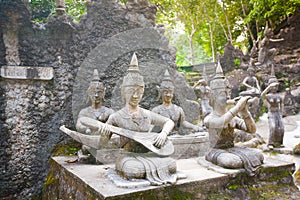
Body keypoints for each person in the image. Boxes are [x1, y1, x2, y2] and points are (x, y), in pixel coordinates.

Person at [103, 53, 178, 185]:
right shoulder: (116, 117)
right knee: (133, 170)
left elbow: (169, 122)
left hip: (149, 155)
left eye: (139, 91)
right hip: (128, 157)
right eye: (132, 90)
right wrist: (104, 134)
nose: (136, 95)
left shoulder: (147, 114)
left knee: (171, 164)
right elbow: (101, 145)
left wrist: (163, 133)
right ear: (124, 91)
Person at [203, 61, 264, 176]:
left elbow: (252, 130)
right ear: (213, 97)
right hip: (215, 151)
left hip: (232, 149)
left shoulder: (233, 118)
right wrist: (237, 107)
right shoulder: (209, 118)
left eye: (228, 93)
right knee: (232, 161)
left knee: (259, 155)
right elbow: (221, 122)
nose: (227, 97)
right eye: (223, 94)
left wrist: (244, 111)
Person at [75, 69, 114, 161]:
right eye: (93, 92)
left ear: (103, 93)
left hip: (105, 140)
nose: (96, 95)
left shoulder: (109, 111)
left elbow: (116, 121)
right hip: (90, 140)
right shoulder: (84, 112)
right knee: (86, 147)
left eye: (99, 92)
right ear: (88, 93)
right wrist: (87, 129)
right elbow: (79, 124)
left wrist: (107, 124)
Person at [152, 70, 204, 135]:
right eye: (165, 92)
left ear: (173, 93)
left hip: (176, 136)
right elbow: (151, 126)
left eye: (170, 92)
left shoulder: (178, 109)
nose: (168, 95)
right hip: (161, 137)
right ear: (160, 93)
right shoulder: (156, 110)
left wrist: (194, 127)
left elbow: (183, 122)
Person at [261, 66, 284, 148]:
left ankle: (279, 143)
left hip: (278, 113)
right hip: (271, 113)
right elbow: (262, 95)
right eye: (272, 87)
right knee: (273, 127)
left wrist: (281, 113)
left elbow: (281, 104)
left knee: (281, 128)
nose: (274, 88)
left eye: (275, 87)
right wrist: (268, 87)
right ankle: (270, 143)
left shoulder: (279, 96)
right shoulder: (268, 96)